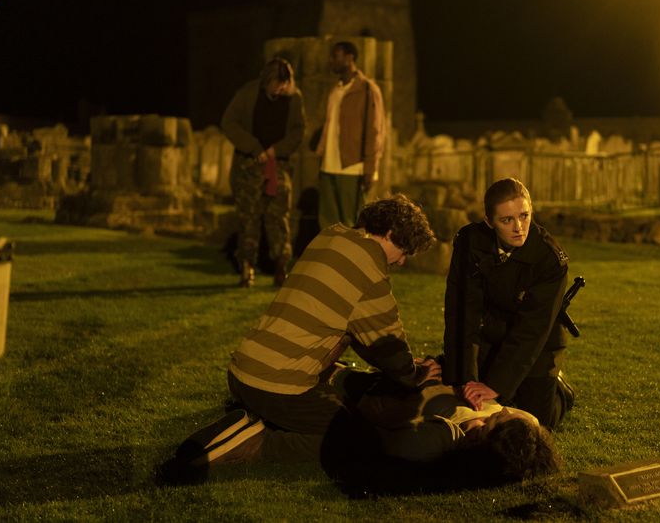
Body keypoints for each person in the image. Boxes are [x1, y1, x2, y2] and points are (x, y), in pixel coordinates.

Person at [158, 195, 439, 483]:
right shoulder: (370, 269)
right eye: (404, 250)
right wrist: (414, 374)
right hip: (276, 385)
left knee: (335, 399)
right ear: (390, 234)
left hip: (243, 371)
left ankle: (248, 416)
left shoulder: (331, 235)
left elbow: (356, 332)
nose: (402, 261)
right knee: (358, 440)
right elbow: (388, 345)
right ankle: (257, 440)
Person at [443, 178, 575, 431]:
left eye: (524, 216)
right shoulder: (470, 241)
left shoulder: (549, 259)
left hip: (538, 344)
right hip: (491, 332)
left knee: (534, 423)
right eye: (507, 220)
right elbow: (462, 310)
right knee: (463, 396)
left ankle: (561, 390)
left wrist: (496, 385)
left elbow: (533, 329)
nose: (519, 227)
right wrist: (465, 378)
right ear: (489, 221)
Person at [319, 367, 560, 496]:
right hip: (419, 374)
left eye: (494, 421)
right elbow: (524, 419)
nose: (503, 411)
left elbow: (374, 418)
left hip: (377, 386)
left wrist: (416, 378)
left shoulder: (431, 439)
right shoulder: (524, 424)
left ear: (479, 441)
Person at [222, 57, 305, 287]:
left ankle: (281, 266)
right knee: (248, 217)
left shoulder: (294, 99)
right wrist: (254, 147)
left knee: (278, 217)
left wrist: (275, 150)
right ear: (267, 80)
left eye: (285, 83)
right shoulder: (248, 94)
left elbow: (298, 131)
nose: (281, 88)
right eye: (277, 83)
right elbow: (229, 122)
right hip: (249, 166)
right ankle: (247, 267)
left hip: (278, 165)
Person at [315, 41, 385, 229]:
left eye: (335, 56)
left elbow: (374, 131)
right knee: (329, 224)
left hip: (352, 167)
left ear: (349, 58)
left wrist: (370, 167)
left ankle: (353, 259)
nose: (331, 61)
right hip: (328, 166)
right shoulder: (335, 90)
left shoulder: (367, 89)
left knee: (352, 224)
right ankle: (330, 258)